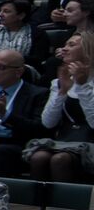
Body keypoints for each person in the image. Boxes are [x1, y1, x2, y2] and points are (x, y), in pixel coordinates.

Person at [26, 33, 94, 181]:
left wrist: (82, 86)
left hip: (90, 142)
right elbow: (48, 122)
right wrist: (62, 91)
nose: (63, 49)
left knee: (60, 160)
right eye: (65, 45)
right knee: (38, 157)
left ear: (89, 50)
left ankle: (65, 205)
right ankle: (37, 204)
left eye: (71, 45)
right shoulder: (59, 81)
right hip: (66, 141)